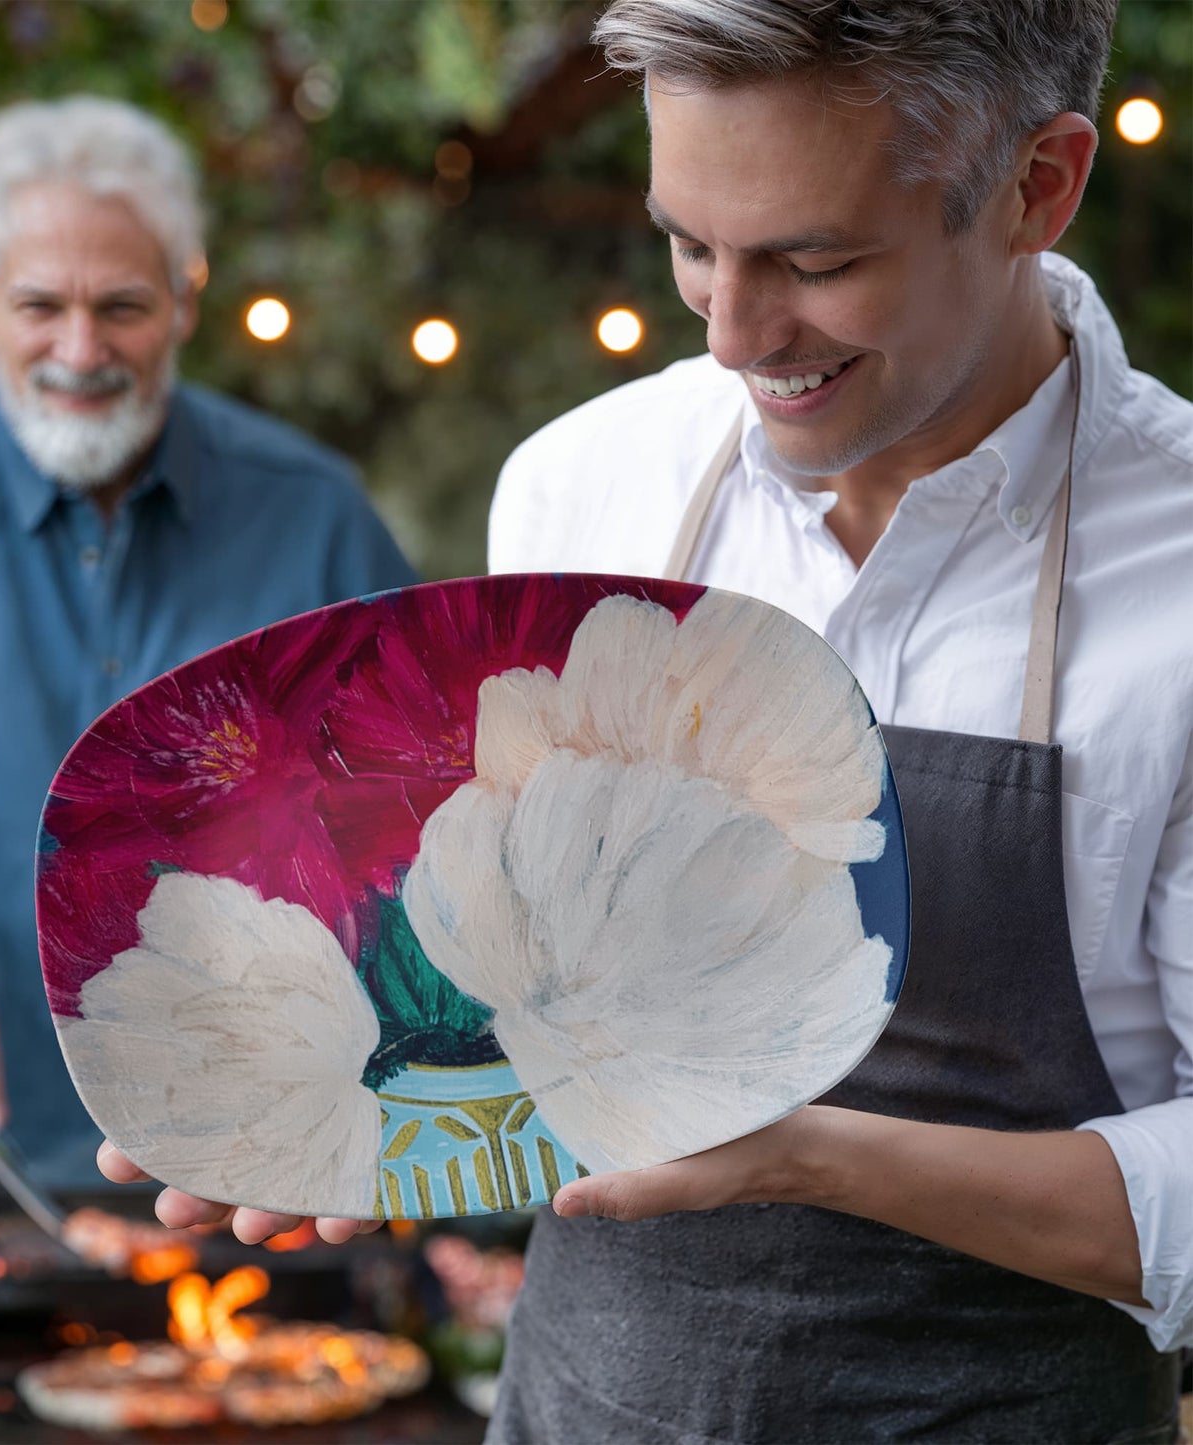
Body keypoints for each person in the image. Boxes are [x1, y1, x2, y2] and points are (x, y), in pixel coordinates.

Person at [100, 1, 1192, 1439]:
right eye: (688, 243)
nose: (736, 335)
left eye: (816, 260)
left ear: (1038, 187)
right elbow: (512, 998)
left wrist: (806, 1157)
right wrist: (370, 1101)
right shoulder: (583, 484)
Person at [0, 96, 416, 1192]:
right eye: (37, 305)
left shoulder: (313, 513)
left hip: (272, 1164)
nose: (79, 348)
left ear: (187, 299)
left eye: (121, 306)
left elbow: (422, 805)